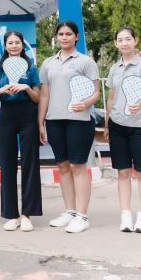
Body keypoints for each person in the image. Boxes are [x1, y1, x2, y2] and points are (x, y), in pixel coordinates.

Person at [38, 20, 100, 234]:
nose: (64, 37)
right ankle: (70, 211)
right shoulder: (47, 63)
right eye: (61, 34)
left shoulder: (85, 62)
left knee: (78, 166)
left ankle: (82, 215)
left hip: (79, 121)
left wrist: (86, 103)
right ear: (56, 37)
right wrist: (41, 122)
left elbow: (96, 92)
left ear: (76, 37)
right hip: (55, 120)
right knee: (63, 167)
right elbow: (44, 95)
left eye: (68, 34)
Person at [104, 26, 141, 233]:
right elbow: (110, 97)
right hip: (118, 126)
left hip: (140, 127)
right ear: (116, 43)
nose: (124, 43)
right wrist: (108, 123)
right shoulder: (114, 68)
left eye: (128, 39)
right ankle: (125, 215)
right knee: (123, 172)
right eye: (120, 39)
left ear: (135, 41)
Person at [0, 30, 41, 232]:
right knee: (7, 164)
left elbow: (37, 97)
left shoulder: (31, 67)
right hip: (7, 116)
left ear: (22, 45)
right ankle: (11, 215)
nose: (13, 46)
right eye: (10, 42)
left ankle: (27, 214)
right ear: (5, 45)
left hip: (28, 114)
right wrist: (2, 91)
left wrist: (25, 88)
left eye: (17, 42)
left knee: (30, 163)